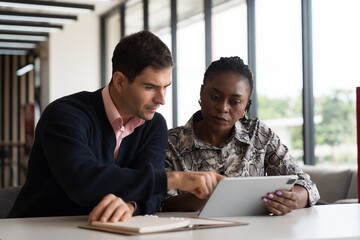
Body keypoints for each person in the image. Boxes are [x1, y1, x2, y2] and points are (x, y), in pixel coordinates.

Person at [8, 30, 223, 222]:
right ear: (119, 81)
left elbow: (153, 194)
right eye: (150, 87)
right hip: (36, 229)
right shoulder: (65, 115)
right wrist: (174, 179)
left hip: (103, 230)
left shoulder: (153, 124)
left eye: (165, 87)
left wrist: (131, 207)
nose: (162, 99)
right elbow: (84, 183)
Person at [164, 56, 320, 215]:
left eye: (235, 102)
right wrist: (209, 196)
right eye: (215, 97)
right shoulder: (170, 143)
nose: (223, 108)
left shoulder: (258, 135)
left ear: (246, 105)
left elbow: (307, 186)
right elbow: (160, 203)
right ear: (202, 92)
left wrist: (293, 199)